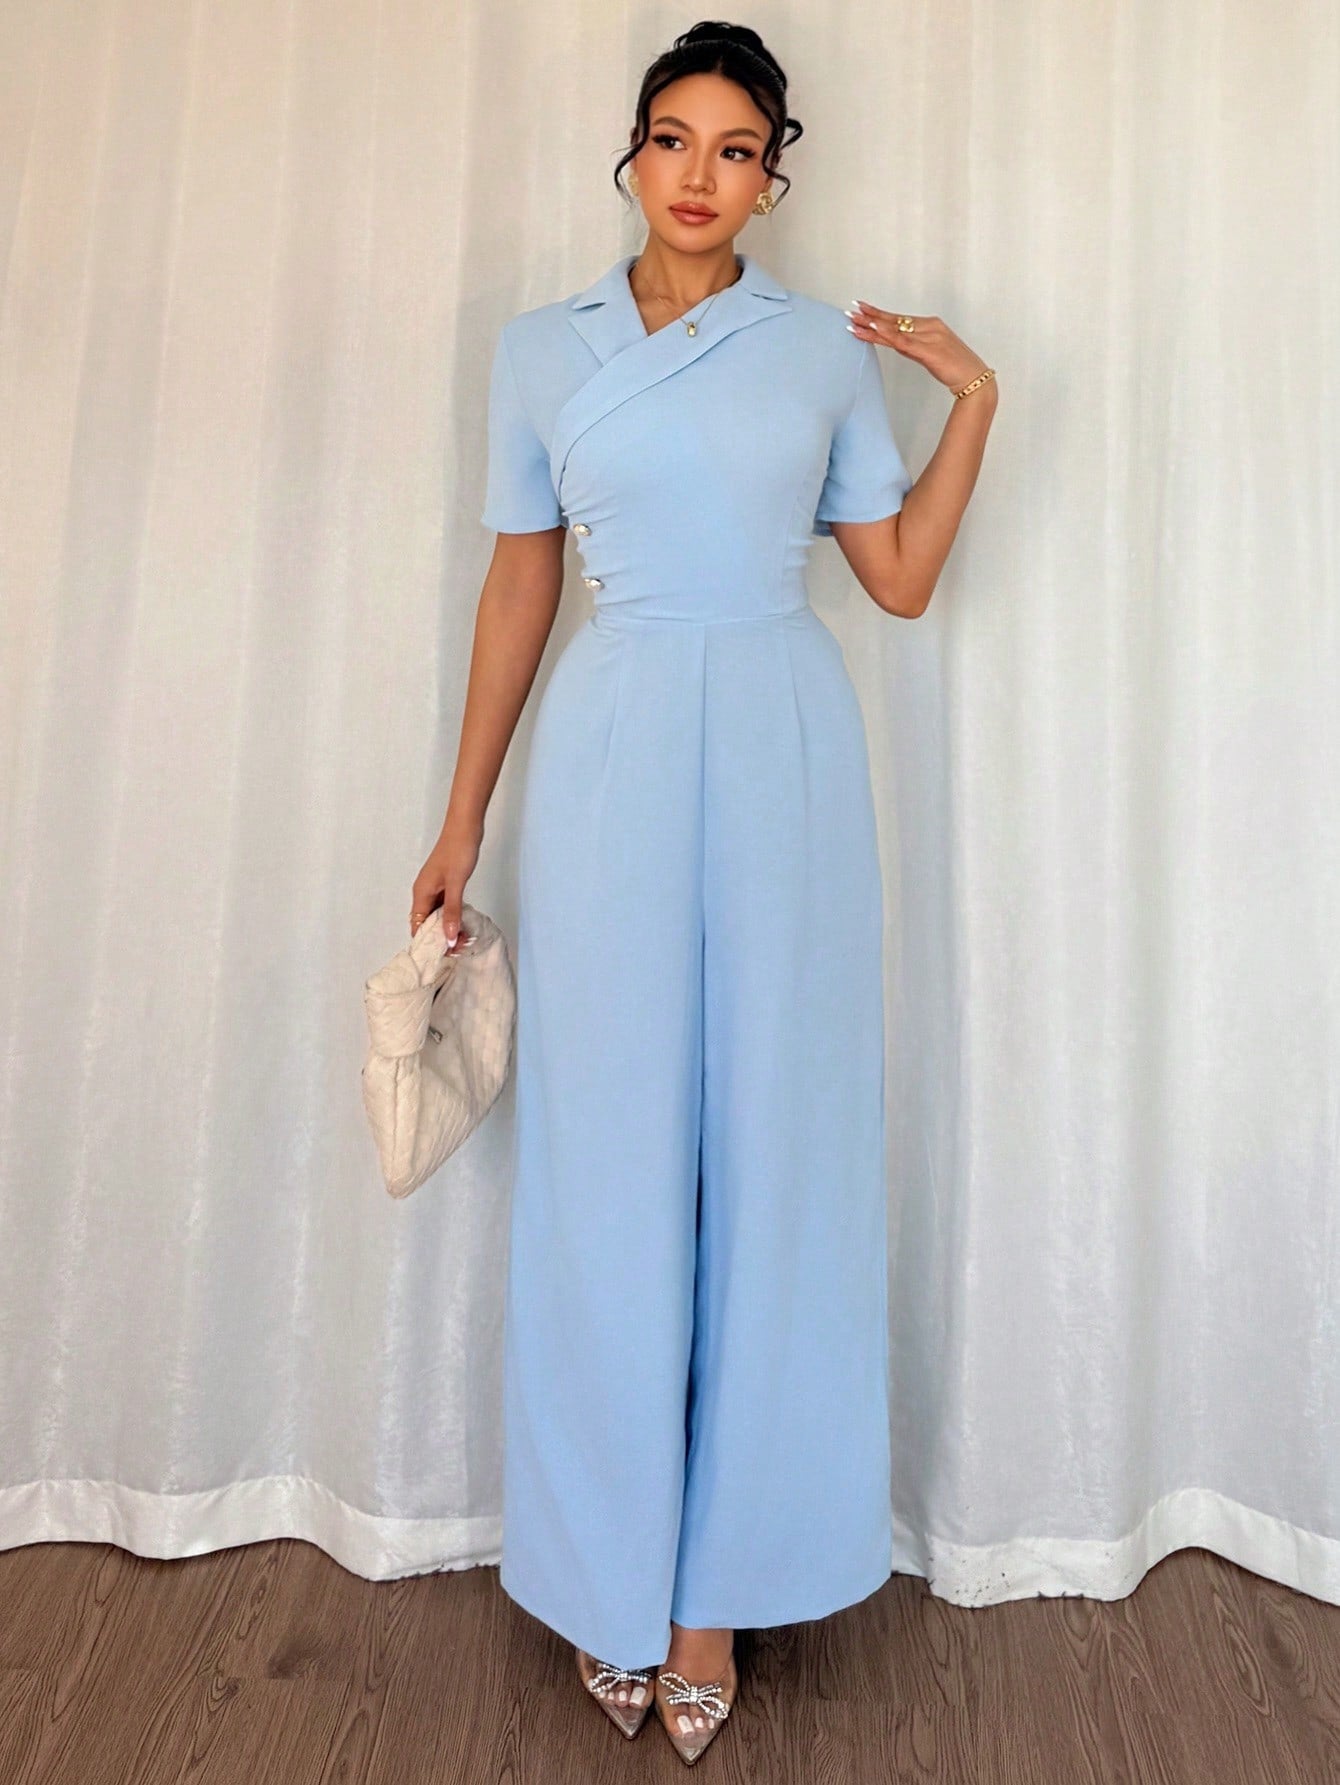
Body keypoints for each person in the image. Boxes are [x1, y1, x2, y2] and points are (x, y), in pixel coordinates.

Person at [411, 20, 997, 1766]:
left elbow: (896, 581)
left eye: (737, 149)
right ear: (633, 150)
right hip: (609, 756)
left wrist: (974, 400)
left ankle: (712, 1600)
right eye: (674, 137)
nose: (698, 173)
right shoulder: (541, 349)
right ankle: (607, 1573)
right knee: (604, 1168)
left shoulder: (820, 351)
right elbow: (520, 590)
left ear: (773, 180)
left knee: (774, 1162)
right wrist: (458, 820)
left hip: (787, 757)